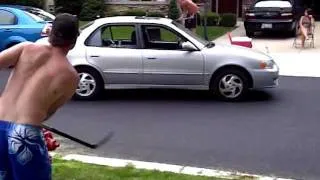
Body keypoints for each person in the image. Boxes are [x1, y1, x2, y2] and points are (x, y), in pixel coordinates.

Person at [0, 13, 79, 180]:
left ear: (49, 32)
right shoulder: (70, 76)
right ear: (73, 41)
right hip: (24, 133)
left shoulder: (26, 48)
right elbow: (48, 112)